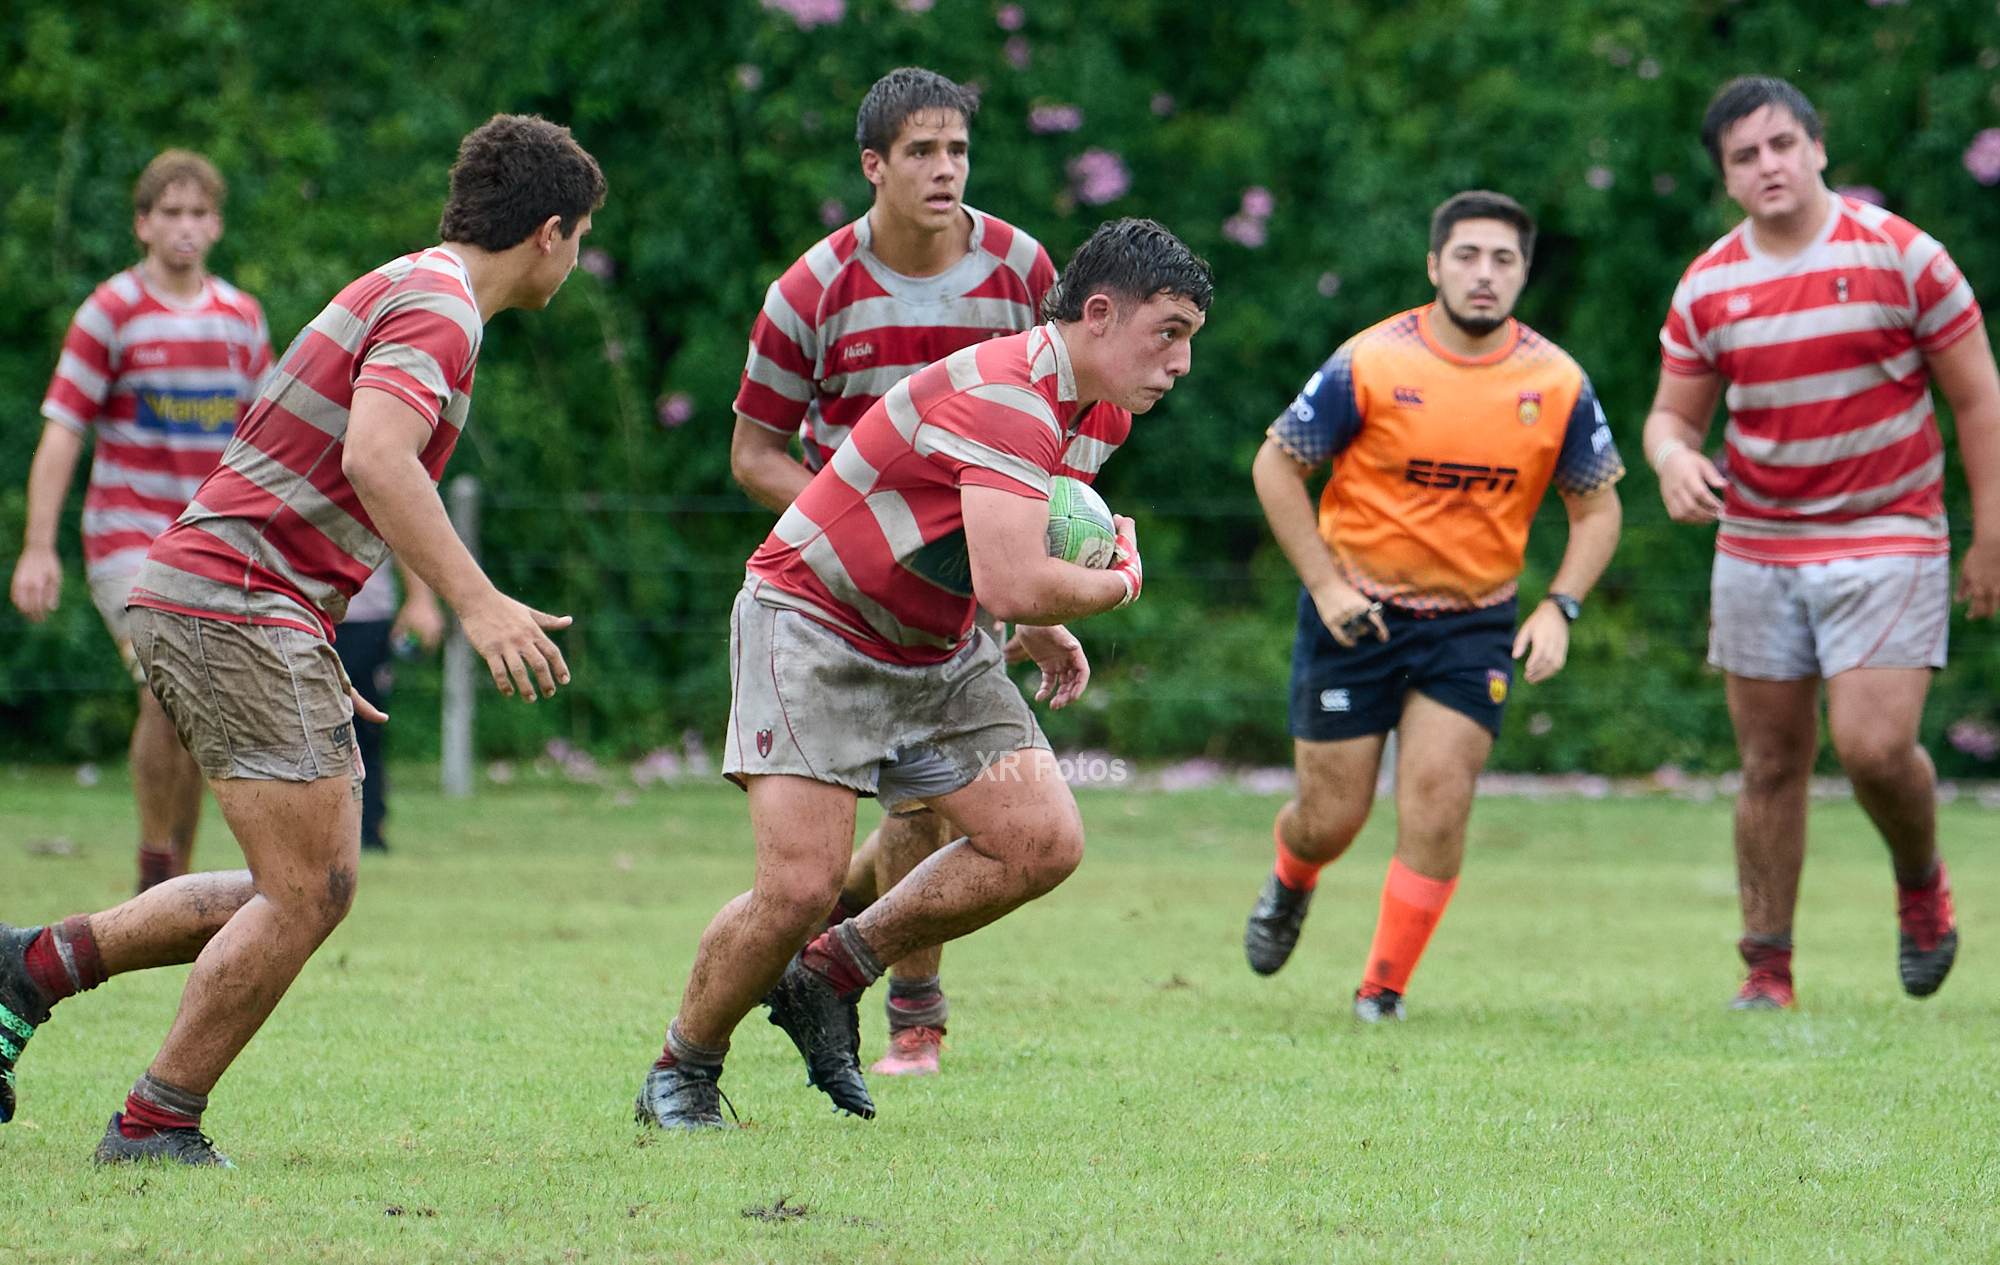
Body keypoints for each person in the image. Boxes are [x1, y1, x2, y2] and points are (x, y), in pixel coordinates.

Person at [0, 114, 606, 1165]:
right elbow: (378, 456)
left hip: (233, 598)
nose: (580, 256)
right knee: (310, 889)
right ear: (550, 232)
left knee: (288, 884)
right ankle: (154, 1120)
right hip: (231, 600)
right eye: (585, 235)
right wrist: (475, 599)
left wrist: (311, 638)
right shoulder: (441, 306)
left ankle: (32, 966)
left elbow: (324, 468)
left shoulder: (412, 283)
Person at [636, 218, 1210, 1129]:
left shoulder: (1097, 413)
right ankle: (683, 1067)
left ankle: (831, 971)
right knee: (797, 888)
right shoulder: (1006, 396)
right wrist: (1118, 580)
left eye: (1189, 340)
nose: (1180, 362)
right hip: (813, 625)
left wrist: (1039, 621)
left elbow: (1012, 554)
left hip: (935, 650)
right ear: (1099, 315)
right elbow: (1013, 573)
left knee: (1041, 841)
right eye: (1169, 332)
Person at [730, 67, 1061, 1077]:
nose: (943, 169)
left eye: (956, 149)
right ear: (873, 165)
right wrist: (852, 530)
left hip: (966, 589)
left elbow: (1056, 429)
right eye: (920, 151)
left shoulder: (1019, 272)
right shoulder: (810, 288)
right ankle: (865, 955)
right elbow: (753, 451)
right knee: (886, 826)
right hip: (832, 602)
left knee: (931, 808)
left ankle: (903, 987)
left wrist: (1037, 576)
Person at [1643, 77, 2000, 1010]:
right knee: (1769, 762)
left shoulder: (1903, 256)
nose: (1769, 166)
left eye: (1781, 145)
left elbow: (1977, 397)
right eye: (1745, 156)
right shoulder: (1711, 282)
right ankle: (1767, 968)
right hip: (1758, 544)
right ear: (1726, 178)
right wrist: (1674, 462)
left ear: (1817, 147)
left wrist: (1993, 530)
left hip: (1889, 530)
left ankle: (1920, 883)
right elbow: (1670, 420)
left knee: (1874, 747)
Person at [1241, 190, 1626, 1022]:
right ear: (1434, 266)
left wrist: (1560, 605)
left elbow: (1598, 508)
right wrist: (1328, 585)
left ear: (1524, 273)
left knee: (1440, 795)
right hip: (1356, 615)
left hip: (1472, 621)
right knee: (1331, 818)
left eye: (1504, 260)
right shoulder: (1372, 362)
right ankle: (1292, 875)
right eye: (1467, 256)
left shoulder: (1556, 382)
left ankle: (1382, 989)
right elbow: (1276, 467)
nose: (1484, 275)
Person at [10, 150, 273, 893]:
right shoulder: (111, 311)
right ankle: (157, 865)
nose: (185, 227)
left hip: (213, 545)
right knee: (164, 683)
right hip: (127, 538)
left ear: (216, 225)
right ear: (143, 223)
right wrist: (38, 547)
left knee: (196, 710)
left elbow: (263, 443)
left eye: (198, 214)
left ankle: (175, 885)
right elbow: (62, 429)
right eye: (171, 213)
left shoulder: (241, 318)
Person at [336, 560, 445, 853]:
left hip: (367, 618)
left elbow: (403, 527)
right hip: (300, 614)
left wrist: (422, 600)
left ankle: (368, 833)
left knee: (366, 731)